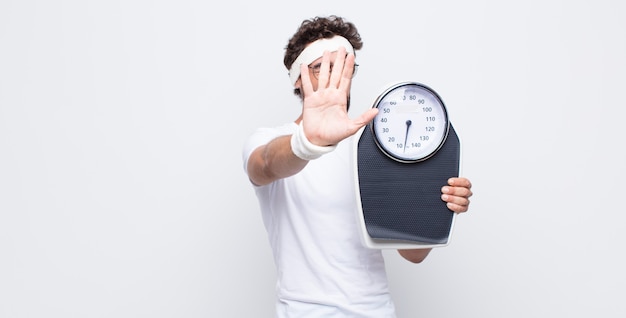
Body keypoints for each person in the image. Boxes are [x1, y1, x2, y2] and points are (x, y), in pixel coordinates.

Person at [242, 15, 473, 317]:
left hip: (375, 311)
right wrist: (309, 142)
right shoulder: (269, 139)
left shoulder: (375, 149)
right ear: (297, 77)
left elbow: (412, 253)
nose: (334, 77)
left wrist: (437, 208)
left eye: (343, 67)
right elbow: (267, 164)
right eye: (320, 68)